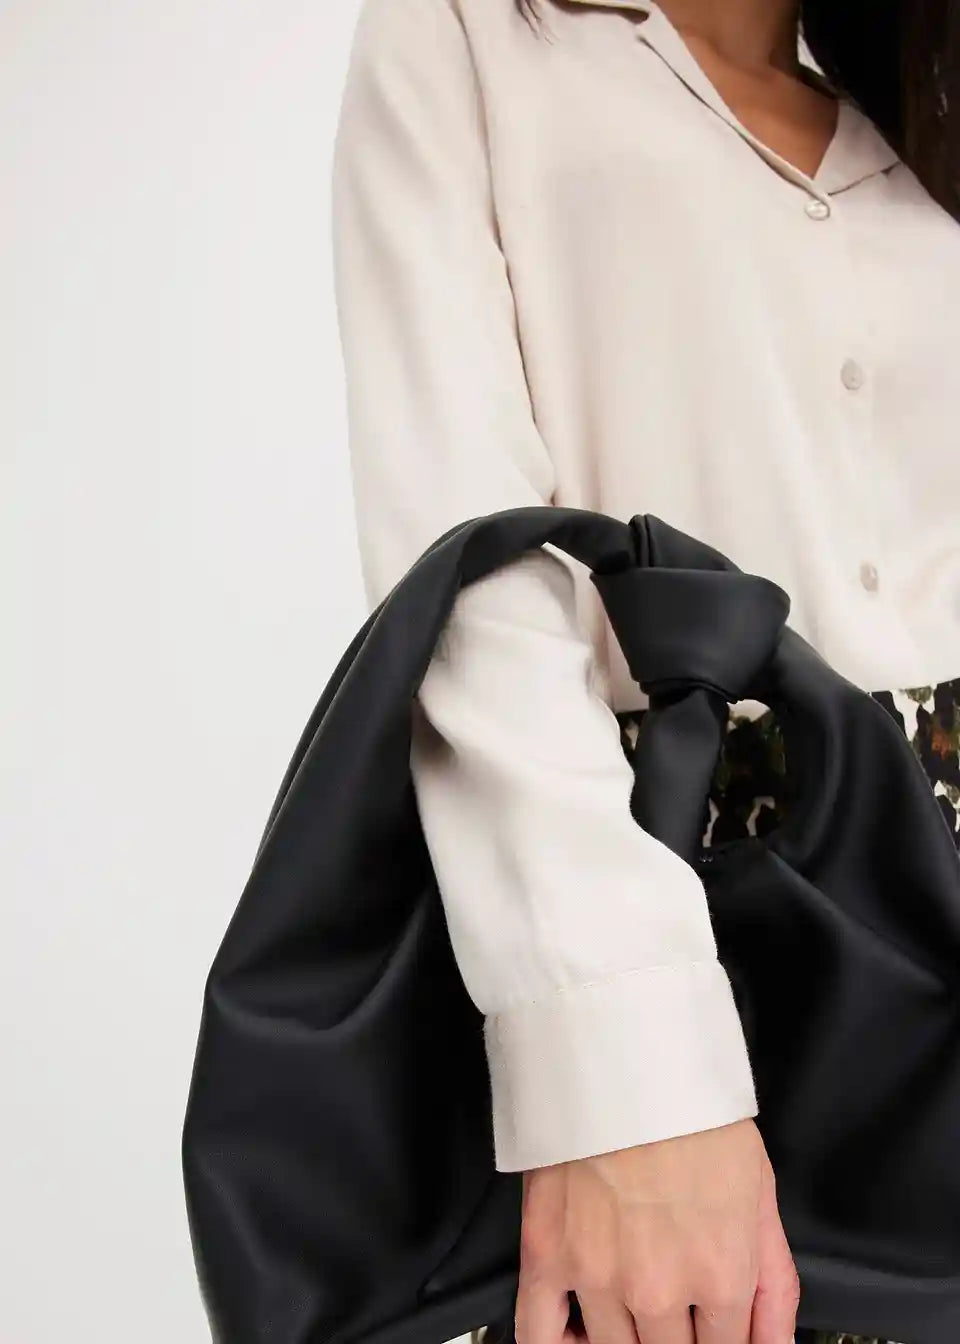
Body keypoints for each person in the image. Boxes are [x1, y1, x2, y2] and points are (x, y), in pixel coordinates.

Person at [329, 2, 960, 1342]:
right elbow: (474, 587)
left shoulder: (918, 102)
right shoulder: (475, 35)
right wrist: (626, 1068)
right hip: (676, 898)